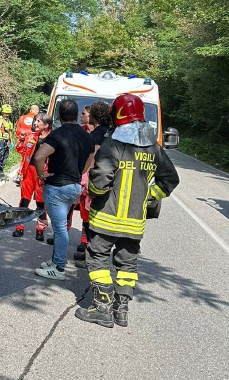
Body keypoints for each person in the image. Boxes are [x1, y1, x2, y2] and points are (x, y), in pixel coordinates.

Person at [75, 94, 180, 328]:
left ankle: (102, 308)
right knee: (127, 264)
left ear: (118, 115)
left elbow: (100, 179)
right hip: (134, 221)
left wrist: (92, 191)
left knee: (99, 257)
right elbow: (170, 179)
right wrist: (149, 196)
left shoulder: (113, 145)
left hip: (106, 218)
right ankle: (121, 310)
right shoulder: (154, 148)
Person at [31, 99, 95, 280]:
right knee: (61, 227)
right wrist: (78, 173)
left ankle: (58, 267)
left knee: (59, 228)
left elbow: (39, 156)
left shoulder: (58, 134)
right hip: (74, 186)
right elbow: (89, 163)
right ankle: (55, 261)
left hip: (57, 186)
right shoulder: (87, 136)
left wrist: (40, 174)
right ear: (76, 114)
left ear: (59, 115)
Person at [74, 101, 113, 267]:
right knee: (93, 218)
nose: (83, 116)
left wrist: (82, 179)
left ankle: (90, 257)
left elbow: (93, 160)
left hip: (94, 181)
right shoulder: (111, 133)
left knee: (91, 219)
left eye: (86, 114)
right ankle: (91, 254)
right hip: (108, 181)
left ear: (94, 116)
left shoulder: (97, 135)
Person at [12, 113, 52, 240]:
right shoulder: (31, 135)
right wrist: (21, 140)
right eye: (35, 120)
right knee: (24, 200)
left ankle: (40, 230)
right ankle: (19, 227)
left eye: (38, 121)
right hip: (28, 171)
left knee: (40, 203)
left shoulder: (53, 139)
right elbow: (20, 150)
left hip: (42, 174)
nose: (35, 123)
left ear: (46, 125)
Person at [14, 105, 40, 185]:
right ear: (37, 111)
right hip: (32, 141)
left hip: (23, 140)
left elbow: (18, 129)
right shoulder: (37, 120)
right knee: (27, 159)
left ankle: (21, 174)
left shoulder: (22, 118)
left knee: (24, 158)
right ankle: (22, 174)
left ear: (30, 110)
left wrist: (20, 139)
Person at [0, 104, 15, 180]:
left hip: (6, 141)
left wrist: (11, 141)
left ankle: (1, 173)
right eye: (5, 113)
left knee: (5, 157)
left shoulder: (8, 121)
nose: (7, 115)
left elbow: (9, 132)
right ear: (2, 112)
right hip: (0, 140)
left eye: (8, 113)